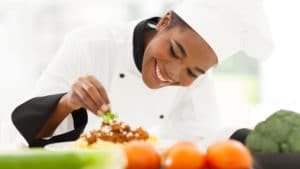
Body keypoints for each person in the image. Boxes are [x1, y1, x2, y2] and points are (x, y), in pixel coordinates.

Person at [11, 0, 273, 147]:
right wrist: (68, 102)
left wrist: (263, 141)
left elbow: (203, 136)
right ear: (165, 21)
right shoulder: (89, 44)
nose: (173, 72)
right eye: (175, 50)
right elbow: (28, 134)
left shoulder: (196, 81)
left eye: (193, 71)